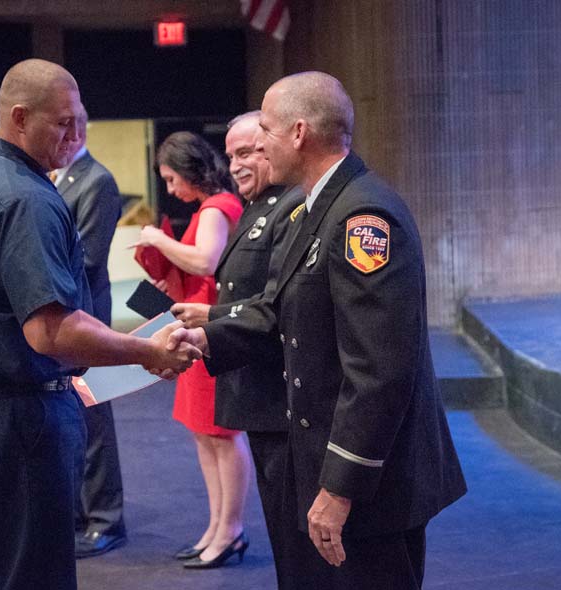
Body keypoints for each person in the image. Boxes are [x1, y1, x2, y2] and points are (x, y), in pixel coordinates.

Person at [168, 71, 467, 589]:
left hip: (371, 484)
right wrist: (208, 337)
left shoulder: (363, 218)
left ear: (299, 133)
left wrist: (340, 487)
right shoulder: (316, 206)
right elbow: (282, 311)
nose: (257, 142)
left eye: (265, 128)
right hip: (324, 458)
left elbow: (379, 372)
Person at [0, 59, 200, 590]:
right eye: (62, 123)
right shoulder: (26, 198)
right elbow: (50, 332)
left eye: (81, 119)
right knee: (37, 578)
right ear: (18, 118)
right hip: (19, 412)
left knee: (17, 569)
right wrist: (148, 352)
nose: (76, 134)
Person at [169, 111, 317, 582]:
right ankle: (221, 529)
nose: (235, 164)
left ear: (279, 144)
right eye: (231, 154)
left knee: (301, 540)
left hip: (278, 390)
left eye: (248, 151)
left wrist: (212, 319)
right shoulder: (257, 205)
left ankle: (227, 530)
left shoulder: (291, 205)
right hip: (250, 377)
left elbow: (277, 303)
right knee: (286, 538)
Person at [133, 131, 247, 569]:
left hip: (211, 330)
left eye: (170, 179)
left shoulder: (218, 207)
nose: (170, 189)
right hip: (197, 326)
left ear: (188, 170)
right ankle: (217, 527)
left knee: (221, 434)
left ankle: (230, 529)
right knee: (205, 434)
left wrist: (157, 240)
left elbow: (207, 263)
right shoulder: (210, 208)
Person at [51, 104, 127, 558]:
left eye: (73, 126)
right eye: (62, 126)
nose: (67, 135)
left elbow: (89, 257)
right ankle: (81, 514)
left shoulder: (96, 180)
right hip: (67, 322)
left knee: (95, 425)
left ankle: (106, 520)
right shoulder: (59, 180)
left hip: (88, 320)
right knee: (75, 423)